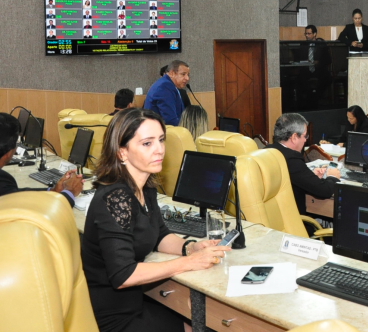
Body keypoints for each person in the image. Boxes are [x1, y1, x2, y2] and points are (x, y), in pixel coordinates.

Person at [82, 108, 229, 332]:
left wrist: (192, 247)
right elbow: (123, 274)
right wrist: (188, 263)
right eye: (147, 143)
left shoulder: (145, 187)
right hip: (114, 316)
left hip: (135, 303)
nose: (159, 150)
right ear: (122, 152)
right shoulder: (116, 197)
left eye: (161, 140)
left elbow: (159, 234)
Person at [0, 112, 83, 207]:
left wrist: (52, 191)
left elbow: (14, 194)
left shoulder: (3, 179)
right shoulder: (3, 179)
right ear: (8, 153)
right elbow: (20, 206)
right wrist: (69, 192)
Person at [266, 113, 340, 216]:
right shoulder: (291, 159)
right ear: (294, 137)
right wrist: (332, 177)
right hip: (293, 221)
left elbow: (293, 179)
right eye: (305, 136)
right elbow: (324, 191)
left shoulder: (267, 150)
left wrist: (311, 177)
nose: (305, 140)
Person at [144, 60, 189, 126]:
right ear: (172, 73)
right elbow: (170, 120)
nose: (187, 78)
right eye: (183, 74)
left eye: (188, 75)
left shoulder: (167, 84)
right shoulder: (164, 87)